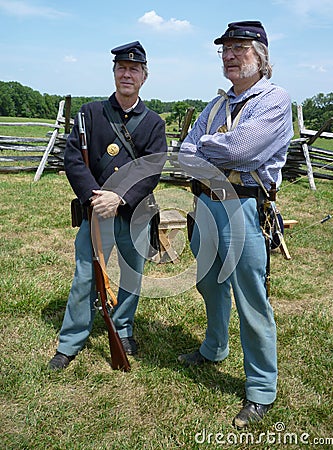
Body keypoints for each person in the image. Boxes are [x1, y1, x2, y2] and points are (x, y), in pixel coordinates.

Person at [178, 21, 293, 428]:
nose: (229, 55)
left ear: (260, 56)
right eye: (224, 49)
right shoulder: (216, 104)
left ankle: (261, 388)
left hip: (243, 206)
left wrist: (206, 148)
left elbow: (241, 152)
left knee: (251, 297)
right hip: (205, 203)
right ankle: (214, 347)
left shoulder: (274, 99)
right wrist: (209, 150)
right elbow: (184, 153)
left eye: (239, 48)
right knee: (209, 282)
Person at [49, 41, 167, 370]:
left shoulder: (154, 123)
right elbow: (73, 160)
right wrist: (94, 196)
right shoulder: (90, 113)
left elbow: (152, 168)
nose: (126, 74)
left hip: (135, 211)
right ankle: (71, 340)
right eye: (121, 68)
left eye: (134, 69)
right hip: (96, 208)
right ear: (114, 73)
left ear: (145, 76)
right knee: (86, 276)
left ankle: (124, 327)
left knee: (131, 275)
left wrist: (121, 198)